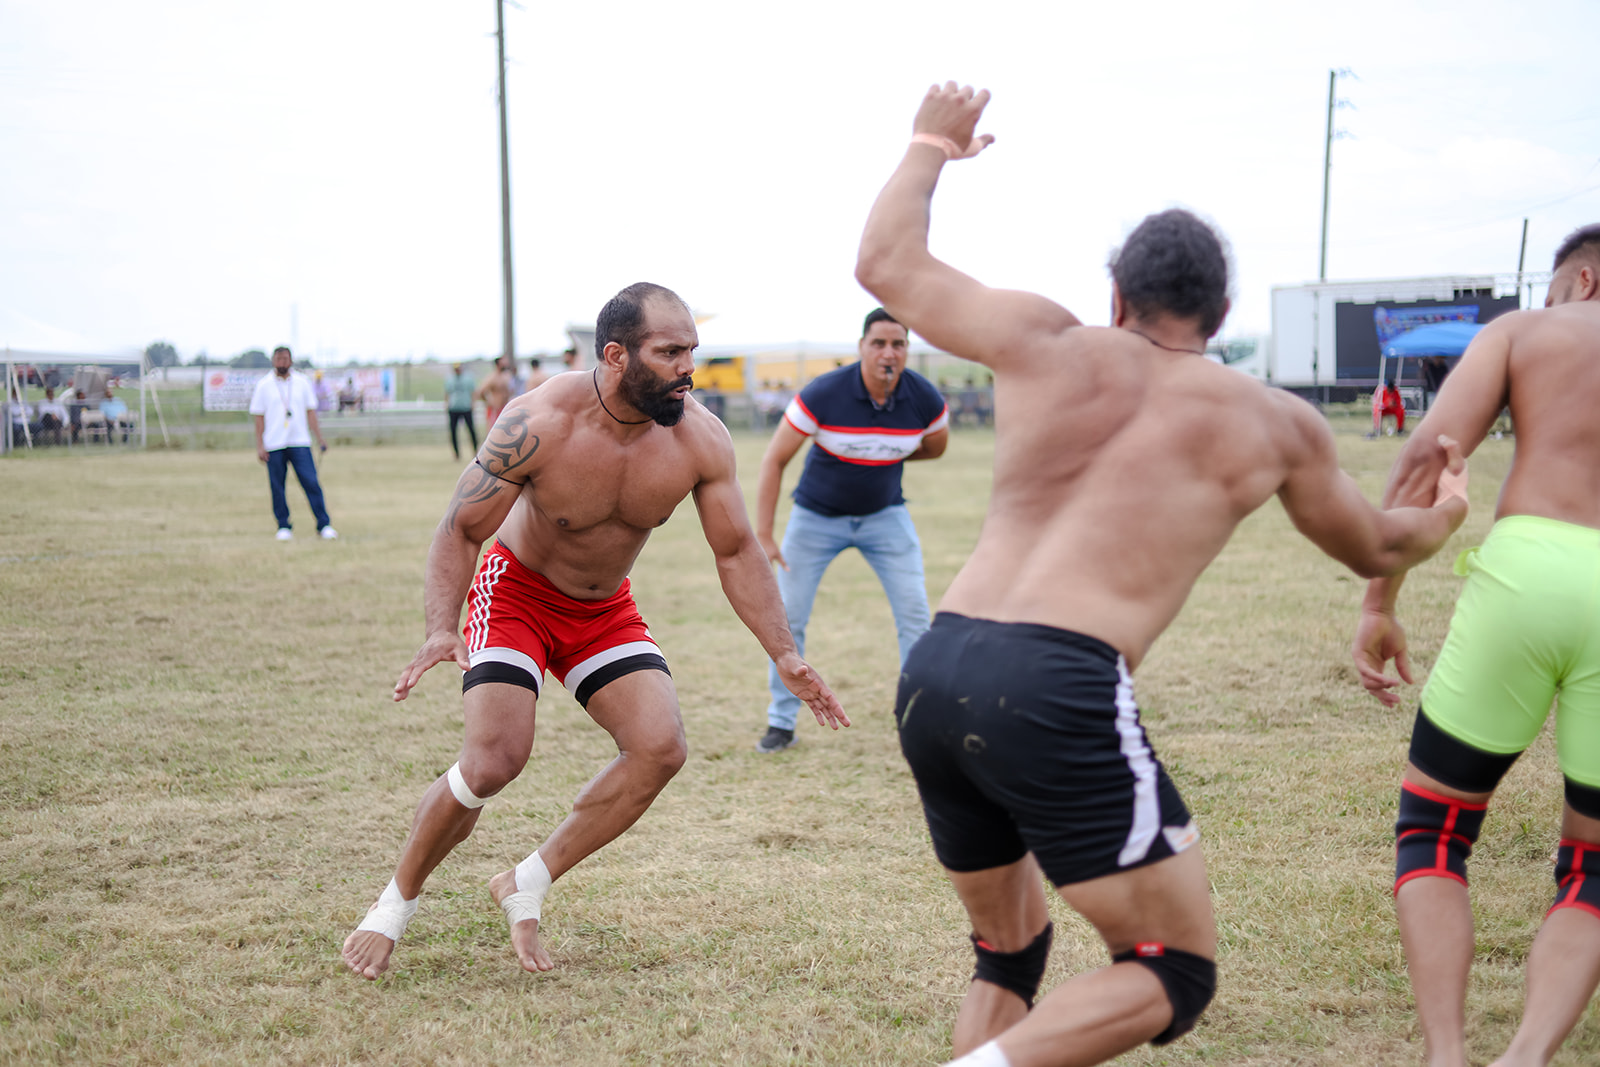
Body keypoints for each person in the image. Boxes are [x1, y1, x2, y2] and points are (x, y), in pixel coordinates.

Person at [855, 82, 1468, 1067]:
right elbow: (1378, 548)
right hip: (1055, 680)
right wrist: (1446, 513)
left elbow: (885, 264)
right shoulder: (1268, 419)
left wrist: (930, 141)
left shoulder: (1043, 340)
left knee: (1008, 950)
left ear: (1116, 296)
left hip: (936, 667)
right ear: (1220, 314)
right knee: (1169, 967)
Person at [341, 282, 847, 982]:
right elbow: (460, 527)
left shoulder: (700, 437)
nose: (688, 368)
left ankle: (526, 881)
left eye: (692, 351)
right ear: (615, 355)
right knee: (493, 761)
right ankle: (394, 904)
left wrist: (784, 652)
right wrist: (439, 627)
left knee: (660, 748)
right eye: (670, 352)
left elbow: (736, 551)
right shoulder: (539, 421)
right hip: (516, 593)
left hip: (602, 609)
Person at [1352, 224, 1600, 1067]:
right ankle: (1526, 1056)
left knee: (1434, 830)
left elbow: (1426, 458)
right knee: (1592, 866)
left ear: (1583, 281)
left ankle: (1448, 1054)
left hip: (1529, 571)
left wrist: (1379, 601)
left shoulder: (1523, 333)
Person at [752, 307, 948, 753]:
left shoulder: (924, 398)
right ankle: (781, 721)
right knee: (789, 619)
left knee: (915, 615)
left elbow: (935, 447)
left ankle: (920, 719)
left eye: (898, 344)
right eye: (878, 343)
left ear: (907, 350)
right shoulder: (824, 393)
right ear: (861, 347)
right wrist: (764, 533)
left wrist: (882, 453)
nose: (888, 353)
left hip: (886, 518)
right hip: (815, 519)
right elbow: (774, 459)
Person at [248, 346, 337, 541]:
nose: (282, 362)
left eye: (285, 359)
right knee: (277, 486)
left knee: (311, 482)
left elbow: (311, 412)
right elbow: (259, 417)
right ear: (273, 361)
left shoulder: (302, 382)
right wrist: (260, 445)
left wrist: (320, 438)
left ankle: (323, 524)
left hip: (300, 441)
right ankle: (283, 525)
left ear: (291, 360)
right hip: (274, 443)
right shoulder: (264, 385)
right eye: (279, 359)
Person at [444, 363, 478, 460]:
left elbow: (473, 392)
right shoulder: (450, 379)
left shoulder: (468, 378)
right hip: (454, 408)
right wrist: (446, 404)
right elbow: (447, 393)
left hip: (466, 407)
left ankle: (475, 450)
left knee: (471, 430)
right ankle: (456, 453)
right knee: (453, 431)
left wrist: (473, 403)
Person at [475, 356, 516, 430]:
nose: (505, 364)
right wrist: (488, 402)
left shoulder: (506, 376)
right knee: (495, 430)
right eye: (503, 363)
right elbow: (481, 392)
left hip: (505, 408)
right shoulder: (492, 377)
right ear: (498, 364)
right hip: (495, 409)